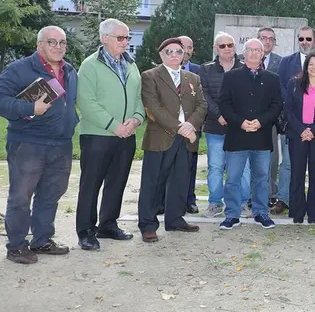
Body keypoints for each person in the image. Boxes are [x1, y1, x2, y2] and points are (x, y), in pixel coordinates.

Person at [0, 26, 78, 263]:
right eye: (52, 42)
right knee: (21, 197)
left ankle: (42, 241)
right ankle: (15, 246)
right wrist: (29, 108)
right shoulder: (19, 69)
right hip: (28, 144)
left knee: (50, 195)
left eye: (62, 43)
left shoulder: (70, 70)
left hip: (61, 144)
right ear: (39, 45)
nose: (58, 47)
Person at [75, 19, 144, 250]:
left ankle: (108, 224)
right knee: (91, 184)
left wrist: (136, 118)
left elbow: (138, 98)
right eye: (120, 38)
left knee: (117, 182)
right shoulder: (89, 65)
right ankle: (85, 230)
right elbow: (86, 102)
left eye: (127, 38)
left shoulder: (131, 64)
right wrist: (114, 125)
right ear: (105, 38)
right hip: (98, 135)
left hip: (127, 136)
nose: (126, 42)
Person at [138, 38, 207, 242]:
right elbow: (153, 107)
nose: (175, 55)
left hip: (186, 139)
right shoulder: (150, 76)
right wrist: (181, 128)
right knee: (153, 182)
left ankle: (175, 219)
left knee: (180, 180)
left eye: (179, 51)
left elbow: (202, 105)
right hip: (161, 137)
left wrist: (191, 125)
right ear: (161, 55)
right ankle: (148, 225)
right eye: (169, 52)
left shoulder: (193, 77)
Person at [217, 39, 283, 230]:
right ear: (243, 54)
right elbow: (224, 103)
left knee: (261, 178)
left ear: (263, 54)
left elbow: (277, 105)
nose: (254, 53)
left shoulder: (272, 78)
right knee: (233, 178)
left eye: (258, 50)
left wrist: (261, 122)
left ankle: (261, 213)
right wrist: (241, 122)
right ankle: (231, 215)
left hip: (261, 136)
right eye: (250, 50)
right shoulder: (231, 77)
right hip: (237, 135)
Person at [276, 26, 315, 214]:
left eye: (308, 39)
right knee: (289, 164)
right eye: (301, 39)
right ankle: (285, 198)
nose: (305, 42)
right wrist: (300, 126)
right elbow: (282, 90)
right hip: (295, 126)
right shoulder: (286, 62)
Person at [199, 32, 250, 218]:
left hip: (239, 128)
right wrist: (219, 114)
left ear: (235, 47)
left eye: (230, 45)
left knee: (243, 168)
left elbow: (248, 97)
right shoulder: (206, 70)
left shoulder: (245, 69)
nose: (227, 49)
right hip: (215, 126)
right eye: (222, 46)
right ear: (215, 49)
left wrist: (235, 118)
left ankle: (243, 203)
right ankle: (214, 203)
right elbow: (204, 95)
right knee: (215, 166)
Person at [285, 52, 315, 224]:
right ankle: (297, 212)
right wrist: (302, 130)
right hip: (298, 135)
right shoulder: (294, 84)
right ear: (305, 66)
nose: (313, 67)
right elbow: (288, 110)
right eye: (310, 64)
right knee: (296, 173)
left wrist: (314, 131)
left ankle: (313, 212)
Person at [257, 27, 284, 209]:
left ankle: (271, 193)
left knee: (272, 159)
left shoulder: (281, 63)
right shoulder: (245, 61)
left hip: (271, 120)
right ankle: (253, 196)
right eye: (264, 38)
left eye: (271, 39)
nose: (267, 42)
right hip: (247, 120)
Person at [178, 35, 201, 214]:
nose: (186, 50)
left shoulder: (199, 71)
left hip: (192, 128)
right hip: (169, 129)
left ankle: (189, 200)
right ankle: (163, 200)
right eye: (183, 46)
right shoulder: (162, 71)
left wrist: (191, 124)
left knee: (190, 165)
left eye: (190, 47)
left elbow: (202, 101)